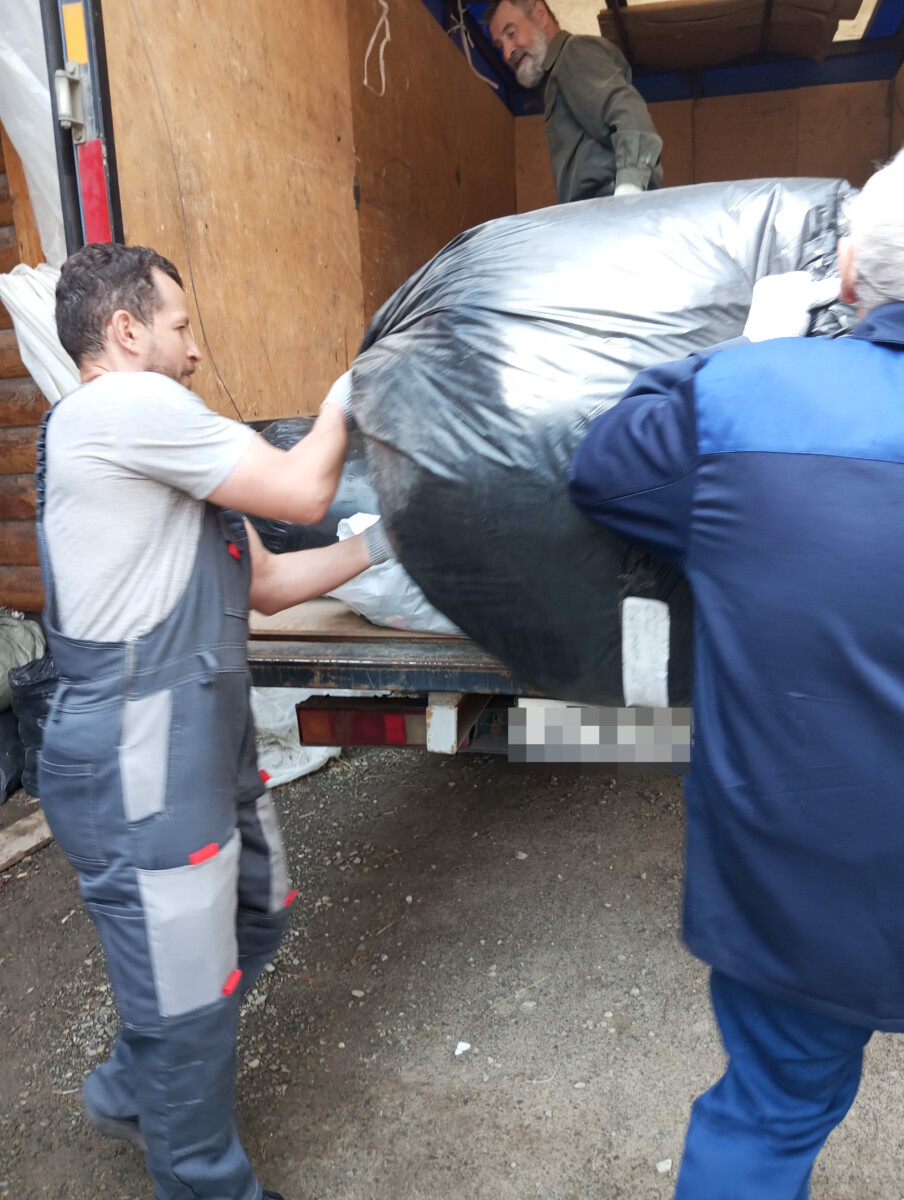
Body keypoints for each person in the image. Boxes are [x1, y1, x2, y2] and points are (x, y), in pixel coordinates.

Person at [568, 147, 904, 1198]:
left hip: (814, 885)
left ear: (845, 276)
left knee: (770, 1112)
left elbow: (605, 467)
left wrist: (743, 352)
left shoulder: (749, 399)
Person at [38, 241, 392, 1200]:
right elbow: (305, 490)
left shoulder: (168, 451)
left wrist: (391, 543)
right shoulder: (122, 408)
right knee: (190, 995)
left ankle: (133, 1086)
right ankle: (202, 1179)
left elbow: (270, 583)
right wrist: (350, 390)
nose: (195, 349)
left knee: (255, 913)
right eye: (181, 326)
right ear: (125, 331)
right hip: (138, 756)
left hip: (198, 745)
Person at [486, 0, 662, 203]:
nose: (507, 53)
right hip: (596, 209)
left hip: (609, 205)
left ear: (540, 15)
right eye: (500, 46)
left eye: (511, 34)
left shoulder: (573, 52)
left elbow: (630, 116)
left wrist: (628, 193)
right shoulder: (556, 75)